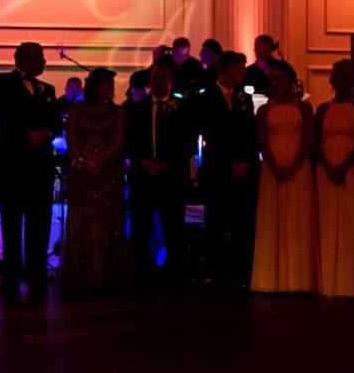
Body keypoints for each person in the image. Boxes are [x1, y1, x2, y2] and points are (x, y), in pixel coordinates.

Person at [0, 42, 62, 290]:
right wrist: (27, 136)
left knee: (39, 224)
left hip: (40, 168)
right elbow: (0, 115)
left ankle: (36, 276)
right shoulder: (0, 82)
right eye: (41, 56)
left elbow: (56, 121)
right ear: (25, 58)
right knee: (10, 224)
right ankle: (11, 277)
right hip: (9, 166)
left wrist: (48, 133)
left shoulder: (48, 89)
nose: (44, 61)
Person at [125, 59, 196, 283]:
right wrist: (141, 161)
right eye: (155, 78)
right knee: (140, 229)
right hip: (142, 177)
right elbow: (129, 141)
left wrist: (169, 164)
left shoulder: (184, 108)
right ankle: (140, 275)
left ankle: (175, 276)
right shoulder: (135, 109)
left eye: (163, 78)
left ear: (171, 81)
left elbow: (189, 142)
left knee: (174, 228)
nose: (158, 82)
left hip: (172, 178)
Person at [60, 68, 132, 291]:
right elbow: (70, 138)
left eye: (111, 84)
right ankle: (82, 277)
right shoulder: (77, 109)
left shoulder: (117, 111)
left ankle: (106, 277)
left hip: (107, 172)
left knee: (108, 223)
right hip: (82, 172)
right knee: (82, 222)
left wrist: (100, 160)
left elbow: (119, 141)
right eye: (106, 83)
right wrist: (82, 160)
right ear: (95, 86)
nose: (111, 87)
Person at [251, 64, 318, 293]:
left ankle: (299, 279)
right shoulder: (264, 111)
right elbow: (262, 140)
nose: (278, 83)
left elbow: (309, 138)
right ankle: (271, 277)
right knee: (274, 216)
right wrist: (274, 165)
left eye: (283, 79)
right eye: (275, 78)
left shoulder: (305, 108)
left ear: (292, 81)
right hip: (272, 168)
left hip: (299, 167)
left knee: (298, 217)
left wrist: (295, 164)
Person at [198, 51, 259, 287]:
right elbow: (212, 133)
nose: (243, 73)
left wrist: (245, 161)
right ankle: (215, 272)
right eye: (240, 68)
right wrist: (229, 162)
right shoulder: (206, 96)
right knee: (215, 220)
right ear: (227, 69)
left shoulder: (245, 98)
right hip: (217, 168)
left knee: (241, 221)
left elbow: (248, 133)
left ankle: (240, 271)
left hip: (241, 167)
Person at [314, 60, 354, 298]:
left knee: (351, 219)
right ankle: (327, 279)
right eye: (337, 77)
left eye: (346, 77)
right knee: (327, 220)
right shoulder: (322, 109)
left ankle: (350, 281)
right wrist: (328, 166)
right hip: (326, 167)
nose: (341, 81)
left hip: (352, 166)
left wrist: (344, 166)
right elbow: (315, 141)